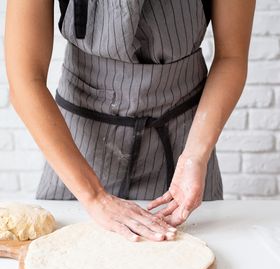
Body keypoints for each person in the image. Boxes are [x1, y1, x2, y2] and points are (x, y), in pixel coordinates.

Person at [4, 0, 255, 242]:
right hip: (78, 149)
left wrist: (194, 157)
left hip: (186, 141)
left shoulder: (191, 155)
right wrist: (94, 196)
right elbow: (25, 79)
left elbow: (231, 57)